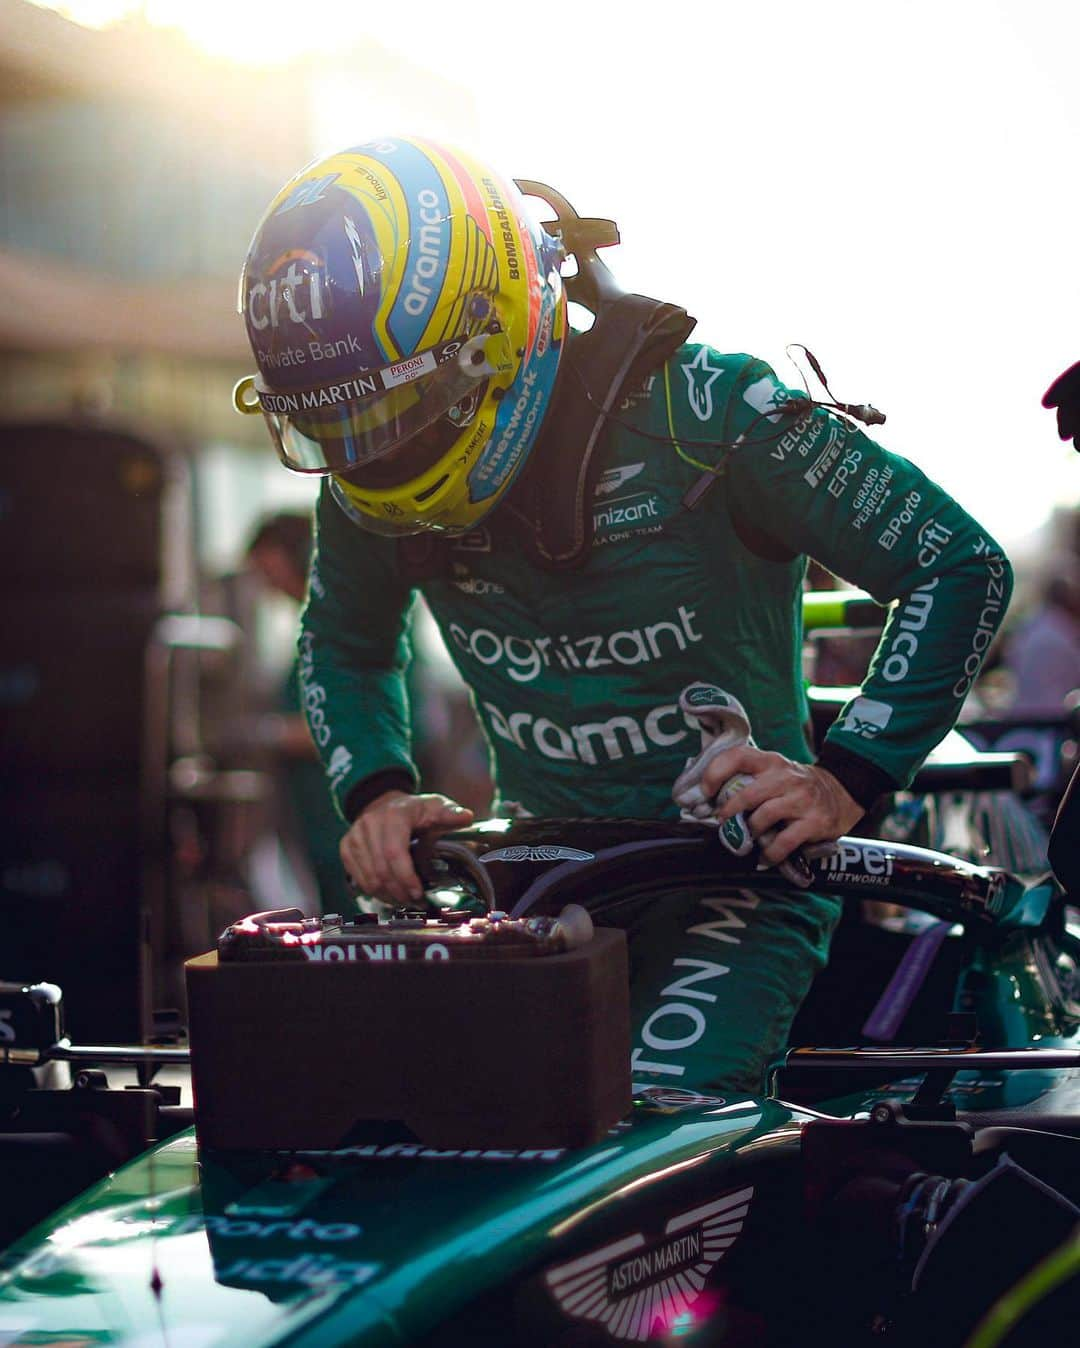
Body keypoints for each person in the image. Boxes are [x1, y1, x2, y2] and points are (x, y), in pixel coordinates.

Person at [232, 137, 1013, 1096]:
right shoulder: (363, 484)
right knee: (417, 1139)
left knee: (641, 1152)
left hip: (737, 880)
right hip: (532, 877)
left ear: (500, 326)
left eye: (399, 410)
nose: (370, 451)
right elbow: (343, 645)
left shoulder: (713, 412)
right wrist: (377, 795)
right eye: (338, 424)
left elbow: (959, 562)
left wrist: (842, 780)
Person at [245, 511, 354, 915]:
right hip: (319, 829)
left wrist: (266, 734)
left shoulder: (352, 628)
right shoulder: (311, 635)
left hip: (347, 824)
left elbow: (349, 725)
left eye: (270, 569)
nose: (269, 586)